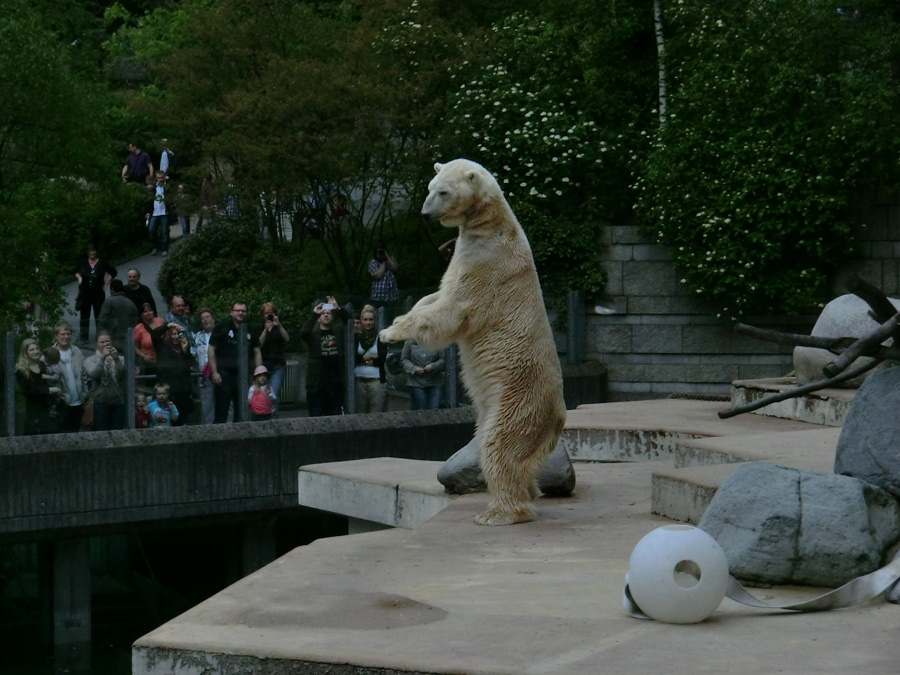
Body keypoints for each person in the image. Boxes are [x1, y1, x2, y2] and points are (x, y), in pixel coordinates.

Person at [208, 301, 262, 423]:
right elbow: (211, 349)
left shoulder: (251, 328)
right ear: (231, 312)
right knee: (221, 411)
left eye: (243, 311)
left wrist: (259, 373)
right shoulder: (222, 327)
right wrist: (215, 372)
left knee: (242, 411)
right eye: (238, 310)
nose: (240, 313)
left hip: (243, 376)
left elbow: (257, 351)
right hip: (224, 374)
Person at [300, 295, 349, 417]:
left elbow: (349, 320)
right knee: (315, 418)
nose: (326, 315)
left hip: (335, 385)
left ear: (332, 317)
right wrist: (314, 314)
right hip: (317, 385)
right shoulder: (313, 334)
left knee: (334, 418)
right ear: (318, 318)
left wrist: (338, 309)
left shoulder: (338, 332)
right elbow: (303, 333)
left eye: (328, 313)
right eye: (323, 313)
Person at [150, 322, 194, 425]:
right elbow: (155, 335)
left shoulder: (183, 349)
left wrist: (185, 351)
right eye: (173, 334)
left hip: (182, 393)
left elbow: (190, 366)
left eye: (178, 334)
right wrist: (168, 325)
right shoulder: (162, 347)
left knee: (181, 421)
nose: (175, 337)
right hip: (166, 392)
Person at [15, 339, 61, 435]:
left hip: (47, 407)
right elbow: (30, 390)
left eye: (37, 349)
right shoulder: (21, 370)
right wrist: (50, 390)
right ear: (25, 352)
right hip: (33, 409)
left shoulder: (41, 365)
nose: (35, 352)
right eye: (31, 350)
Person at [83, 331, 126, 431]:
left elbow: (123, 374)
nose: (105, 344)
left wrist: (116, 360)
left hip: (118, 401)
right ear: (97, 344)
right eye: (102, 342)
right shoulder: (90, 360)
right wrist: (102, 358)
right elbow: (94, 373)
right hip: (100, 401)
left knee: (118, 431)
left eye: (108, 341)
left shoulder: (120, 358)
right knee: (101, 430)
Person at [74, 246, 117, 344]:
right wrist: (79, 278)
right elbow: (75, 271)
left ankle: (100, 336)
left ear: (96, 252)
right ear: (87, 252)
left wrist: (106, 283)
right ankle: (83, 337)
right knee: (84, 315)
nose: (92, 253)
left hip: (98, 292)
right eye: (90, 251)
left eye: (93, 251)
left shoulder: (102, 263)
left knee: (99, 314)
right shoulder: (83, 262)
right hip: (85, 292)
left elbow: (114, 272)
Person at [52, 321, 85, 432]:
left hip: (78, 402)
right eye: (63, 334)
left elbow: (84, 375)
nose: (66, 337)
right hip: (61, 403)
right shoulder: (50, 354)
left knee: (76, 433)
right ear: (56, 336)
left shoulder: (77, 352)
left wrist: (85, 394)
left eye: (68, 334)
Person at [354, 304, 387, 413]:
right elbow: (353, 358)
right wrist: (370, 357)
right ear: (361, 320)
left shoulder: (380, 336)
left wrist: (363, 359)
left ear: (375, 320)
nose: (368, 322)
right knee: (360, 415)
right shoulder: (356, 336)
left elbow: (382, 359)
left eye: (371, 319)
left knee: (376, 415)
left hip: (376, 381)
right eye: (365, 319)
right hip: (359, 381)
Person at [258, 302, 290, 414]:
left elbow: (287, 339)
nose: (268, 315)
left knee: (273, 394)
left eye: (271, 313)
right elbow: (258, 344)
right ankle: (265, 416)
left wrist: (279, 324)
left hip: (278, 364)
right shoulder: (260, 327)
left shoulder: (278, 326)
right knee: (263, 395)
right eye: (266, 313)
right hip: (264, 367)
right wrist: (266, 329)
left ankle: (274, 417)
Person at [400, 339, 445, 410]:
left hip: (435, 382)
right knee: (420, 409)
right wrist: (414, 368)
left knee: (434, 409)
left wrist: (433, 366)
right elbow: (404, 359)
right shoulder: (410, 342)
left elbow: (444, 359)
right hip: (416, 382)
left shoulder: (438, 340)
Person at [98, 279, 139, 353]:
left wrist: (100, 338)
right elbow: (136, 322)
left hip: (112, 339)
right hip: (128, 339)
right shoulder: (131, 303)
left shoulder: (109, 302)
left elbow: (102, 321)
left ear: (112, 289)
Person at [192, 307, 217, 424]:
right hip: (204, 376)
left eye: (208, 317)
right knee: (207, 407)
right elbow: (193, 355)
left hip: (221, 374)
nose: (206, 320)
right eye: (203, 319)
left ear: (213, 318)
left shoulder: (221, 333)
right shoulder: (197, 337)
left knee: (226, 405)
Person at [147, 170, 173, 256]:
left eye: (162, 178)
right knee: (151, 230)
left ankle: (164, 249)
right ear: (156, 178)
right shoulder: (153, 188)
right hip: (155, 213)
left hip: (164, 213)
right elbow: (150, 200)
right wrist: (148, 211)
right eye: (159, 178)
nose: (160, 179)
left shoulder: (167, 187)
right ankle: (156, 246)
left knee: (164, 232)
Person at [134, 302, 165, 376]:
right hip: (149, 362)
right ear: (141, 315)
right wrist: (144, 356)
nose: (148, 313)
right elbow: (135, 347)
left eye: (150, 310)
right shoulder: (138, 328)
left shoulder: (160, 321)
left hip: (163, 359)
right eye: (145, 311)